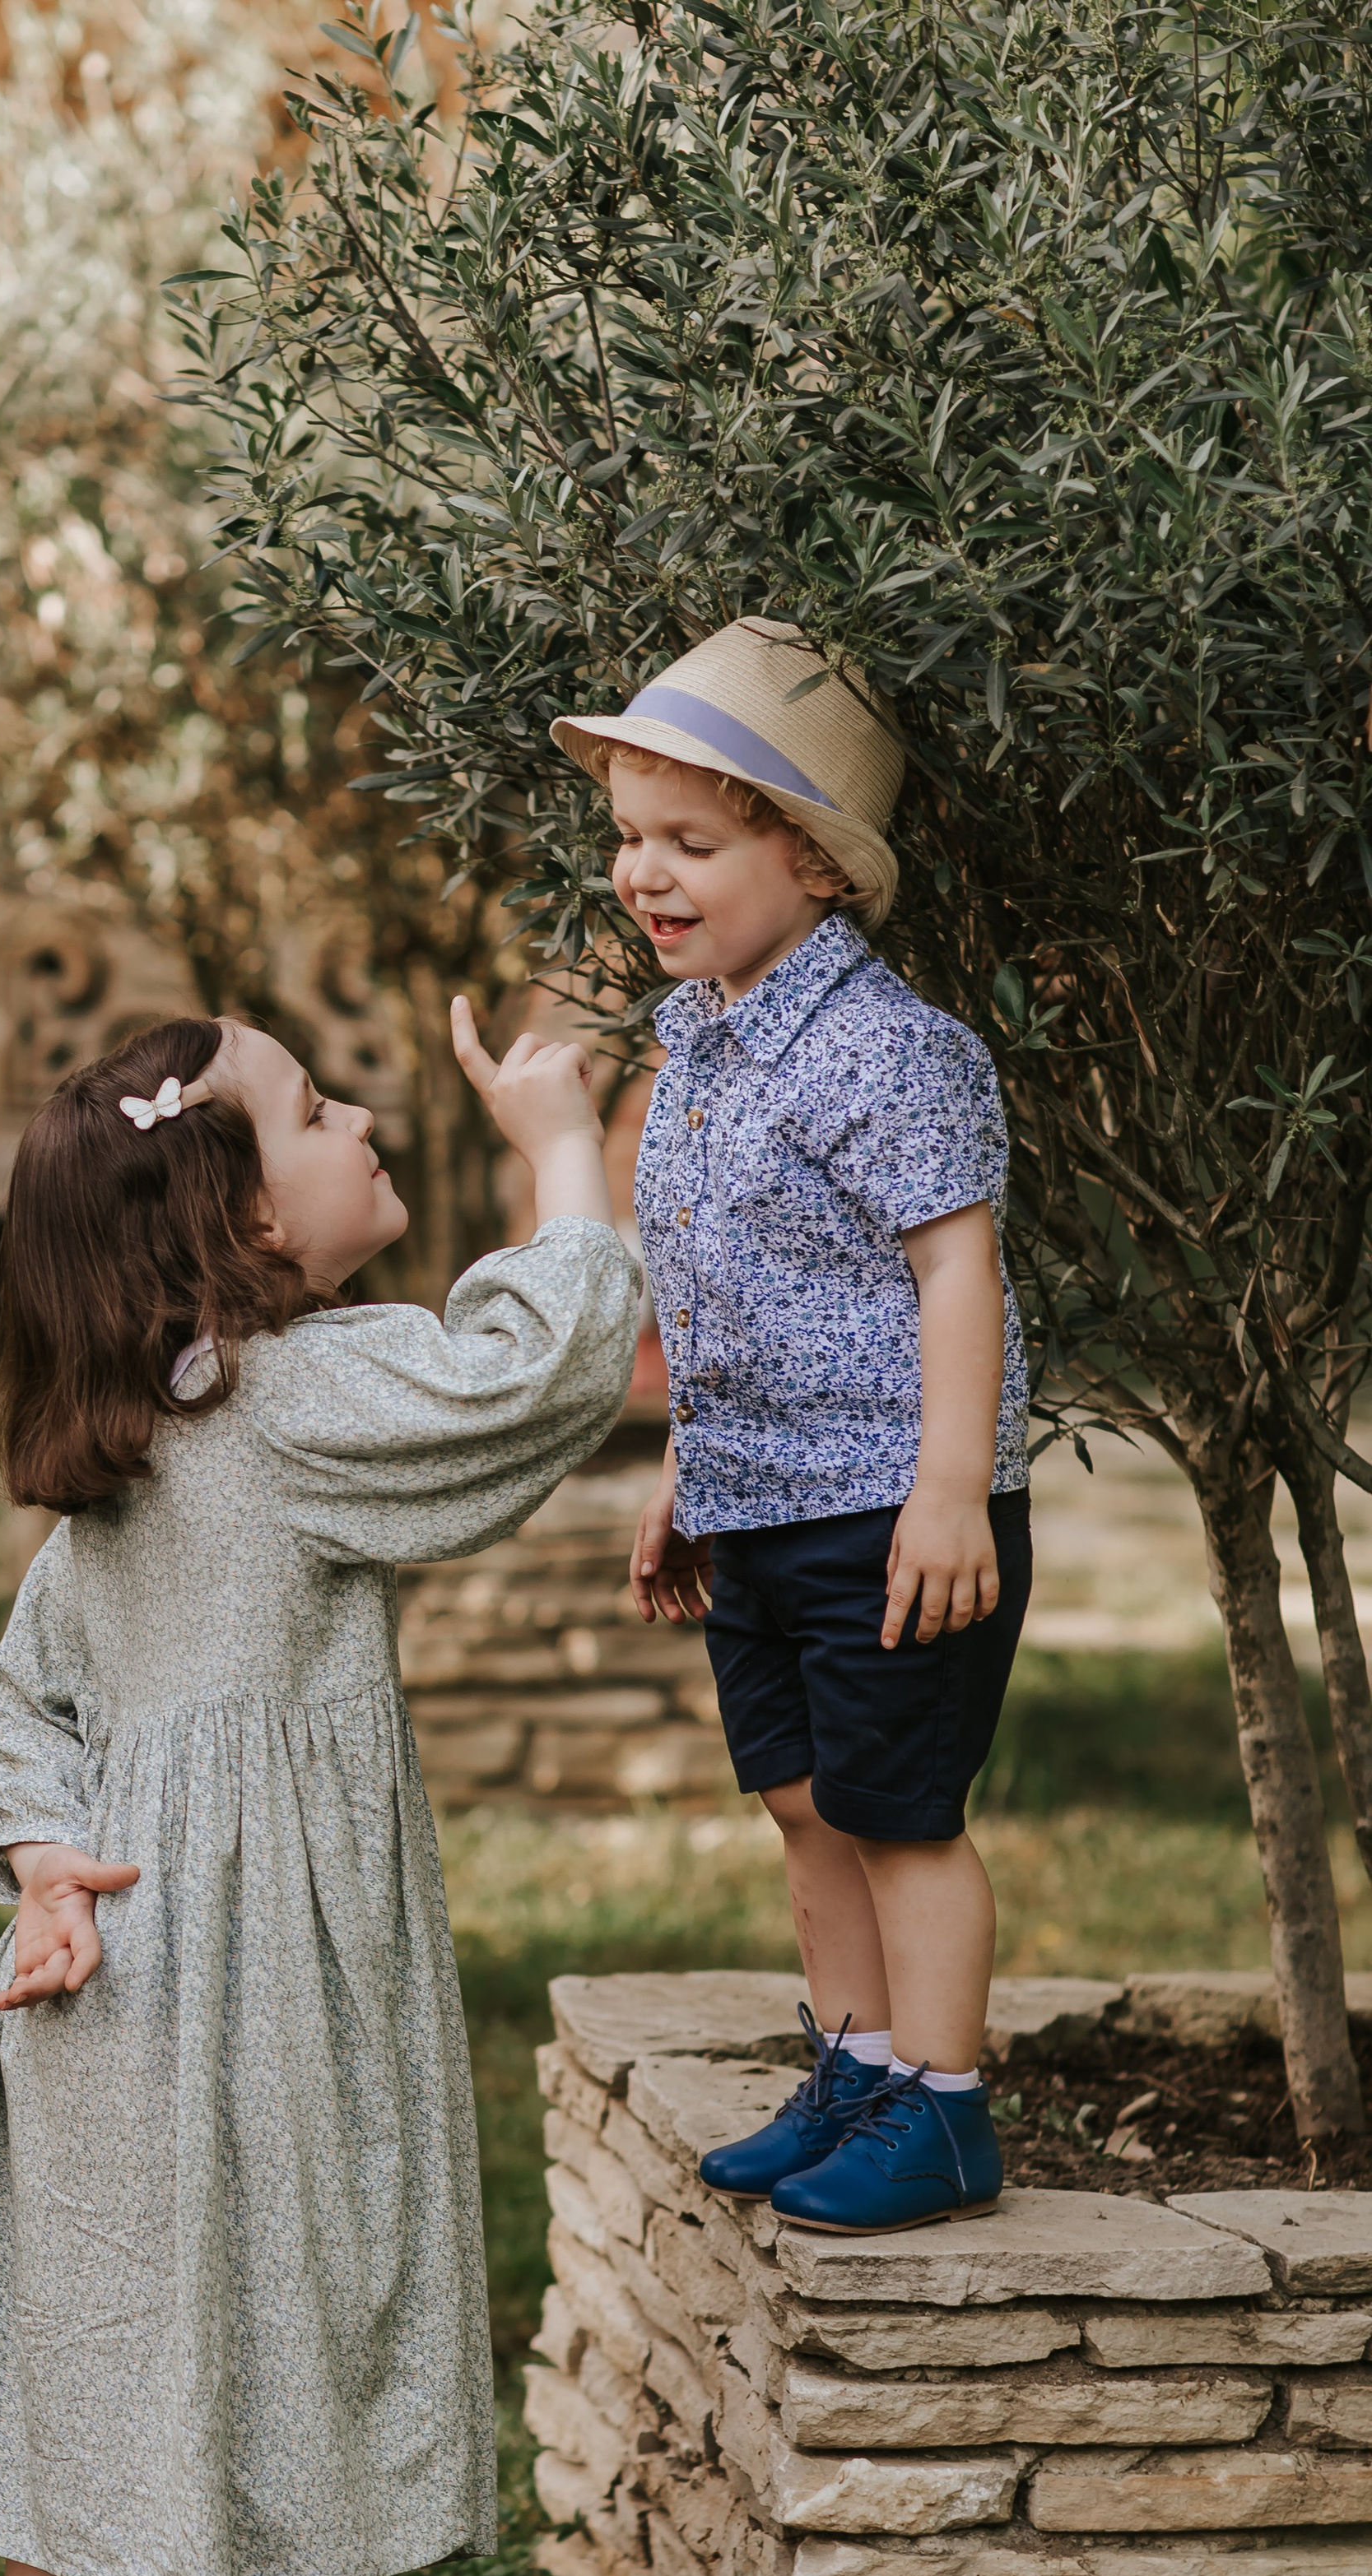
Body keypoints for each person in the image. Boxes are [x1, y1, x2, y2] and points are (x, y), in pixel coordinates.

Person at [0, 1005, 640, 2576]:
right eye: (314, 1106)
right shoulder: (292, 1402)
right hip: (217, 2002)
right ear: (230, 1219)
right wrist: (560, 1151)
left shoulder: (140, 1429)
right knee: (178, 2455)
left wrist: (38, 1863)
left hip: (90, 1988)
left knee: (82, 2431)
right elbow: (533, 1377)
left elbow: (17, 1703)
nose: (364, 1113)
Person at [550, 615, 1030, 2237]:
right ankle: (857, 2064)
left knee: (899, 1813)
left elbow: (954, 1274)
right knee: (803, 1802)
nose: (642, 871)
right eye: (627, 837)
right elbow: (718, 1284)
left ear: (815, 864)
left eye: (688, 841)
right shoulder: (692, 1038)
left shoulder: (889, 1053)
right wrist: (690, 1466)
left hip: (891, 1505)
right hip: (760, 1497)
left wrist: (952, 1489)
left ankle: (943, 2112)